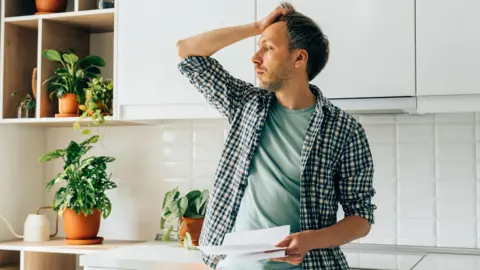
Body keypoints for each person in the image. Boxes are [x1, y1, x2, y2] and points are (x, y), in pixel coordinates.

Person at [176, 2, 376, 270]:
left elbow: (361, 219)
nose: (255, 57)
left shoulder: (344, 130)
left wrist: (310, 240)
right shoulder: (245, 104)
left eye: (268, 48)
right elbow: (188, 53)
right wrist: (258, 27)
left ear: (299, 58)